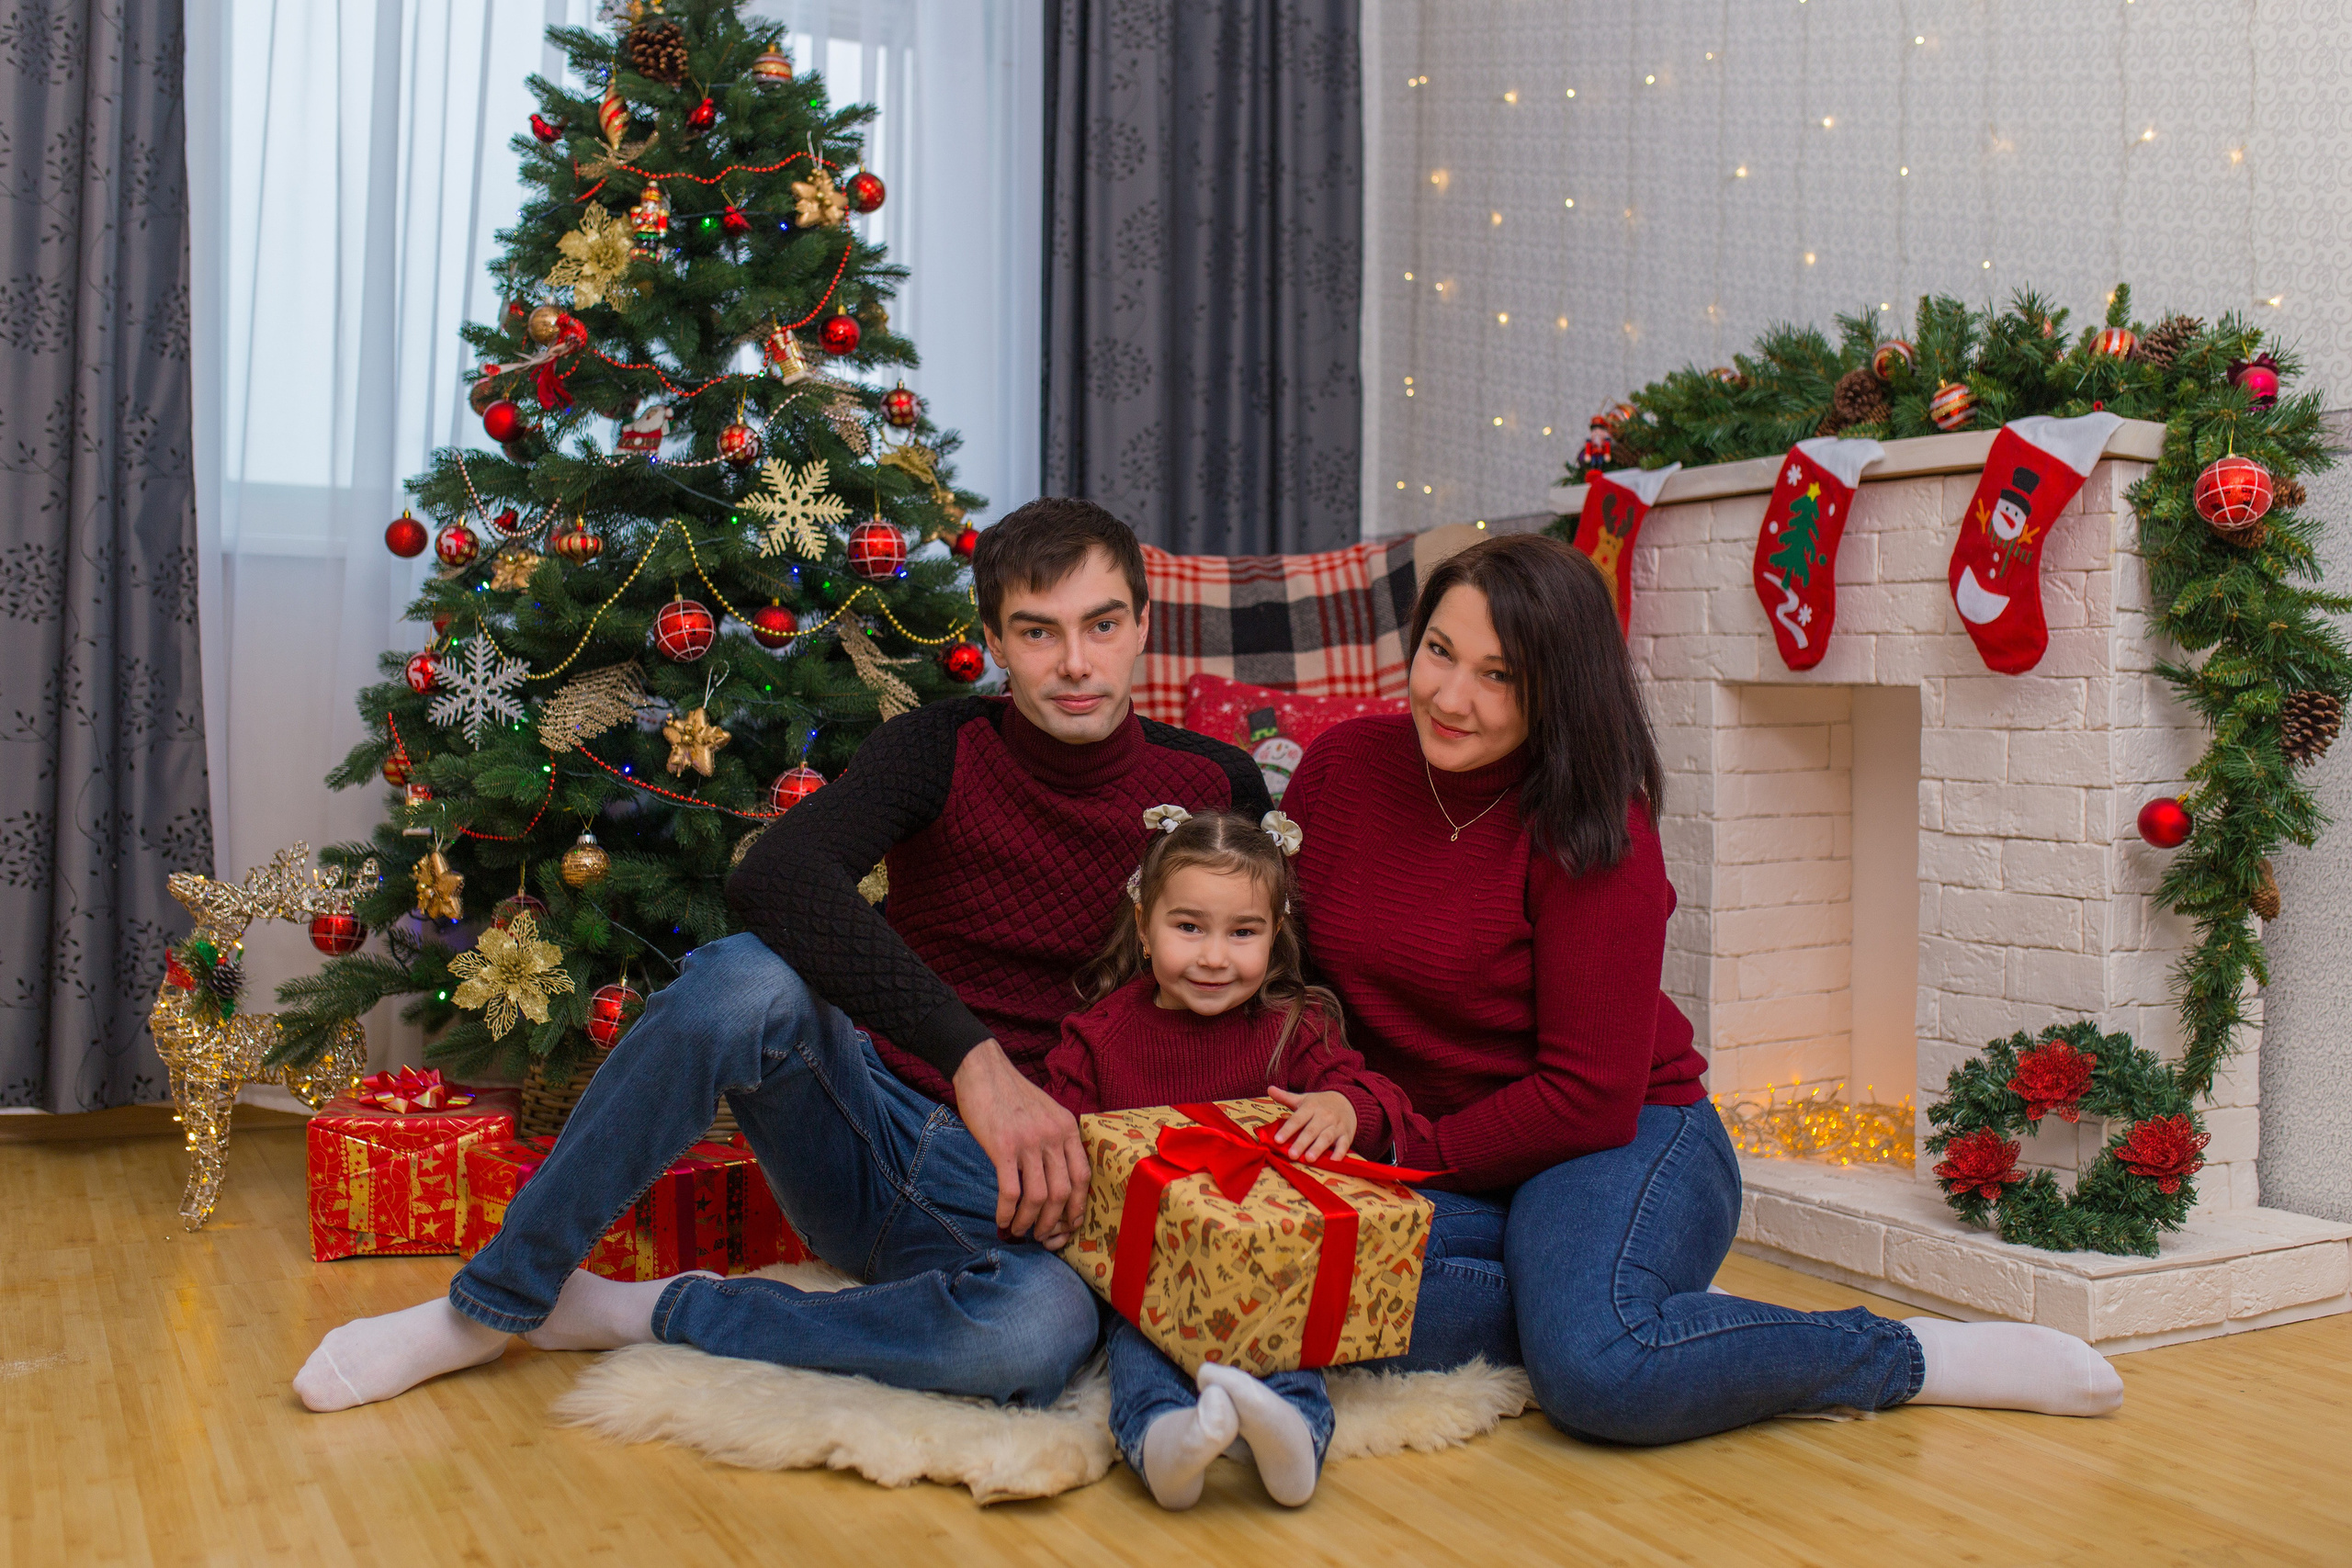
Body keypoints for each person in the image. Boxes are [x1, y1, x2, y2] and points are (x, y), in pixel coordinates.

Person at [294, 499, 1271, 1413]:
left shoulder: (1212, 785)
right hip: (872, 1132)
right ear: (998, 641)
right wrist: (975, 1062)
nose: (1074, 664)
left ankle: (644, 1312)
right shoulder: (941, 746)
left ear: (1144, 624)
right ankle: (489, 1305)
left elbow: (1260, 983)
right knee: (743, 979)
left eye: (1101, 626)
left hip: (1050, 1195)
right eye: (1037, 631)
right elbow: (776, 877)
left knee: (1032, 1341)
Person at [1283, 532, 2124, 1442]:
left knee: (1601, 1373)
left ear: (1558, 689)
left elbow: (1585, 1097)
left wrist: (1407, 1153)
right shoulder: (1340, 770)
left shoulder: (1592, 825)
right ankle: (1612, 1294)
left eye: (1500, 675)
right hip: (1442, 1157)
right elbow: (1290, 984)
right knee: (1286, 1283)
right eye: (1439, 653)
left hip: (1615, 1138)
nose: (1449, 698)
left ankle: (1901, 1354)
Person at [1043, 807, 1411, 1510]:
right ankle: (1164, 1443)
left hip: (1268, 1265)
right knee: (1141, 1339)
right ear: (1145, 928)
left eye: (1243, 933)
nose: (1215, 956)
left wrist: (1344, 1107)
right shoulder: (1099, 1038)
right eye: (1189, 928)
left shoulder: (1293, 1027)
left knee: (1284, 1335)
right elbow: (1058, 1144)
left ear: (1275, 939)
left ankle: (1294, 1439)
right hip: (1144, 1275)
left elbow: (1381, 1097)